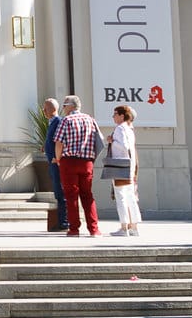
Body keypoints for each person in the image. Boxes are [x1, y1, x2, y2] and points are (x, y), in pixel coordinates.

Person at [53, 96, 103, 238]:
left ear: (70, 106)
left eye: (64, 105)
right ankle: (94, 229)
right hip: (87, 162)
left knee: (71, 196)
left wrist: (58, 159)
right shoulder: (90, 120)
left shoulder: (66, 121)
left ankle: (74, 229)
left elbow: (59, 143)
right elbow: (99, 141)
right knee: (87, 195)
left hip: (69, 161)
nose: (63, 108)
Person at [105, 104, 143, 237]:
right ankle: (134, 226)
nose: (113, 116)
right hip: (130, 166)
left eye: (115, 114)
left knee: (121, 196)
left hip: (120, 166)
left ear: (122, 115)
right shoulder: (129, 129)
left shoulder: (120, 129)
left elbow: (123, 146)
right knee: (130, 197)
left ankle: (124, 226)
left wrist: (111, 141)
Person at [40, 97, 66, 233]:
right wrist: (46, 146)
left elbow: (59, 141)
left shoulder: (58, 121)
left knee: (61, 192)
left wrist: (57, 158)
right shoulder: (52, 122)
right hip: (52, 162)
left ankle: (64, 222)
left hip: (57, 163)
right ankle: (62, 221)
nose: (44, 110)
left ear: (53, 109)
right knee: (57, 192)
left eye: (46, 108)